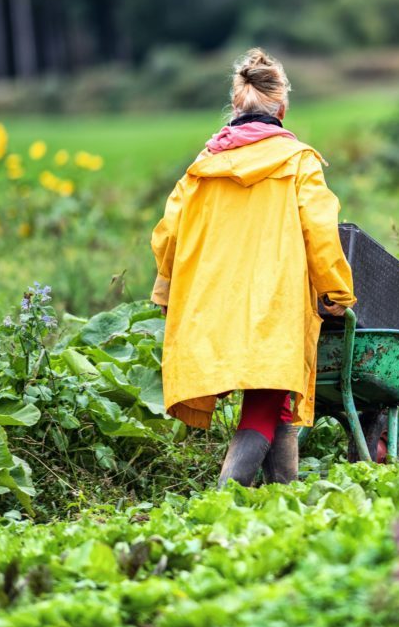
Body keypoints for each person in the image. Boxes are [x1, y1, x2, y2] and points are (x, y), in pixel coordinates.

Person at [149, 48, 356, 487]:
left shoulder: (201, 170)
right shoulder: (298, 162)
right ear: (281, 108)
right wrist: (336, 293)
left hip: (210, 304)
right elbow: (321, 232)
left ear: (236, 105)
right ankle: (225, 497)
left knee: (274, 395)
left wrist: (167, 294)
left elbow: (167, 236)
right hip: (274, 303)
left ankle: (285, 494)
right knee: (267, 396)